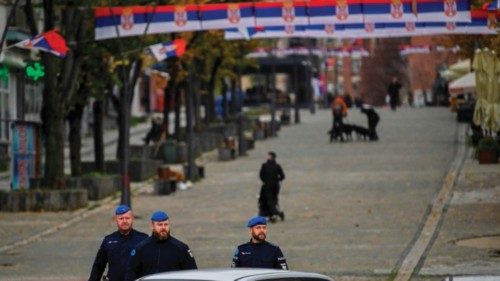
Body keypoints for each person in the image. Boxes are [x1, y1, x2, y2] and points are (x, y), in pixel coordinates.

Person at [125, 211, 197, 281]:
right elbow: (131, 273)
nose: (163, 228)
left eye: (166, 224)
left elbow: (192, 274)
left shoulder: (181, 248)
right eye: (159, 225)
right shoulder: (141, 248)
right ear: (152, 226)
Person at [88, 205, 148, 281]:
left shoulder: (143, 239)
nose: (124, 221)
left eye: (127, 218)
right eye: (121, 218)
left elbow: (151, 264)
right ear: (116, 220)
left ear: (132, 219)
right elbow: (98, 266)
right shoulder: (108, 240)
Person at [259, 152, 285, 222]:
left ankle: (276, 214)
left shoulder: (264, 165)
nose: (267, 157)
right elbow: (282, 176)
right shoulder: (277, 166)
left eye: (268, 156)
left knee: (269, 200)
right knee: (274, 199)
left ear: (272, 157)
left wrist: (265, 181)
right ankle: (272, 214)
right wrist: (277, 180)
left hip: (267, 185)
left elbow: (261, 175)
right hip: (276, 185)